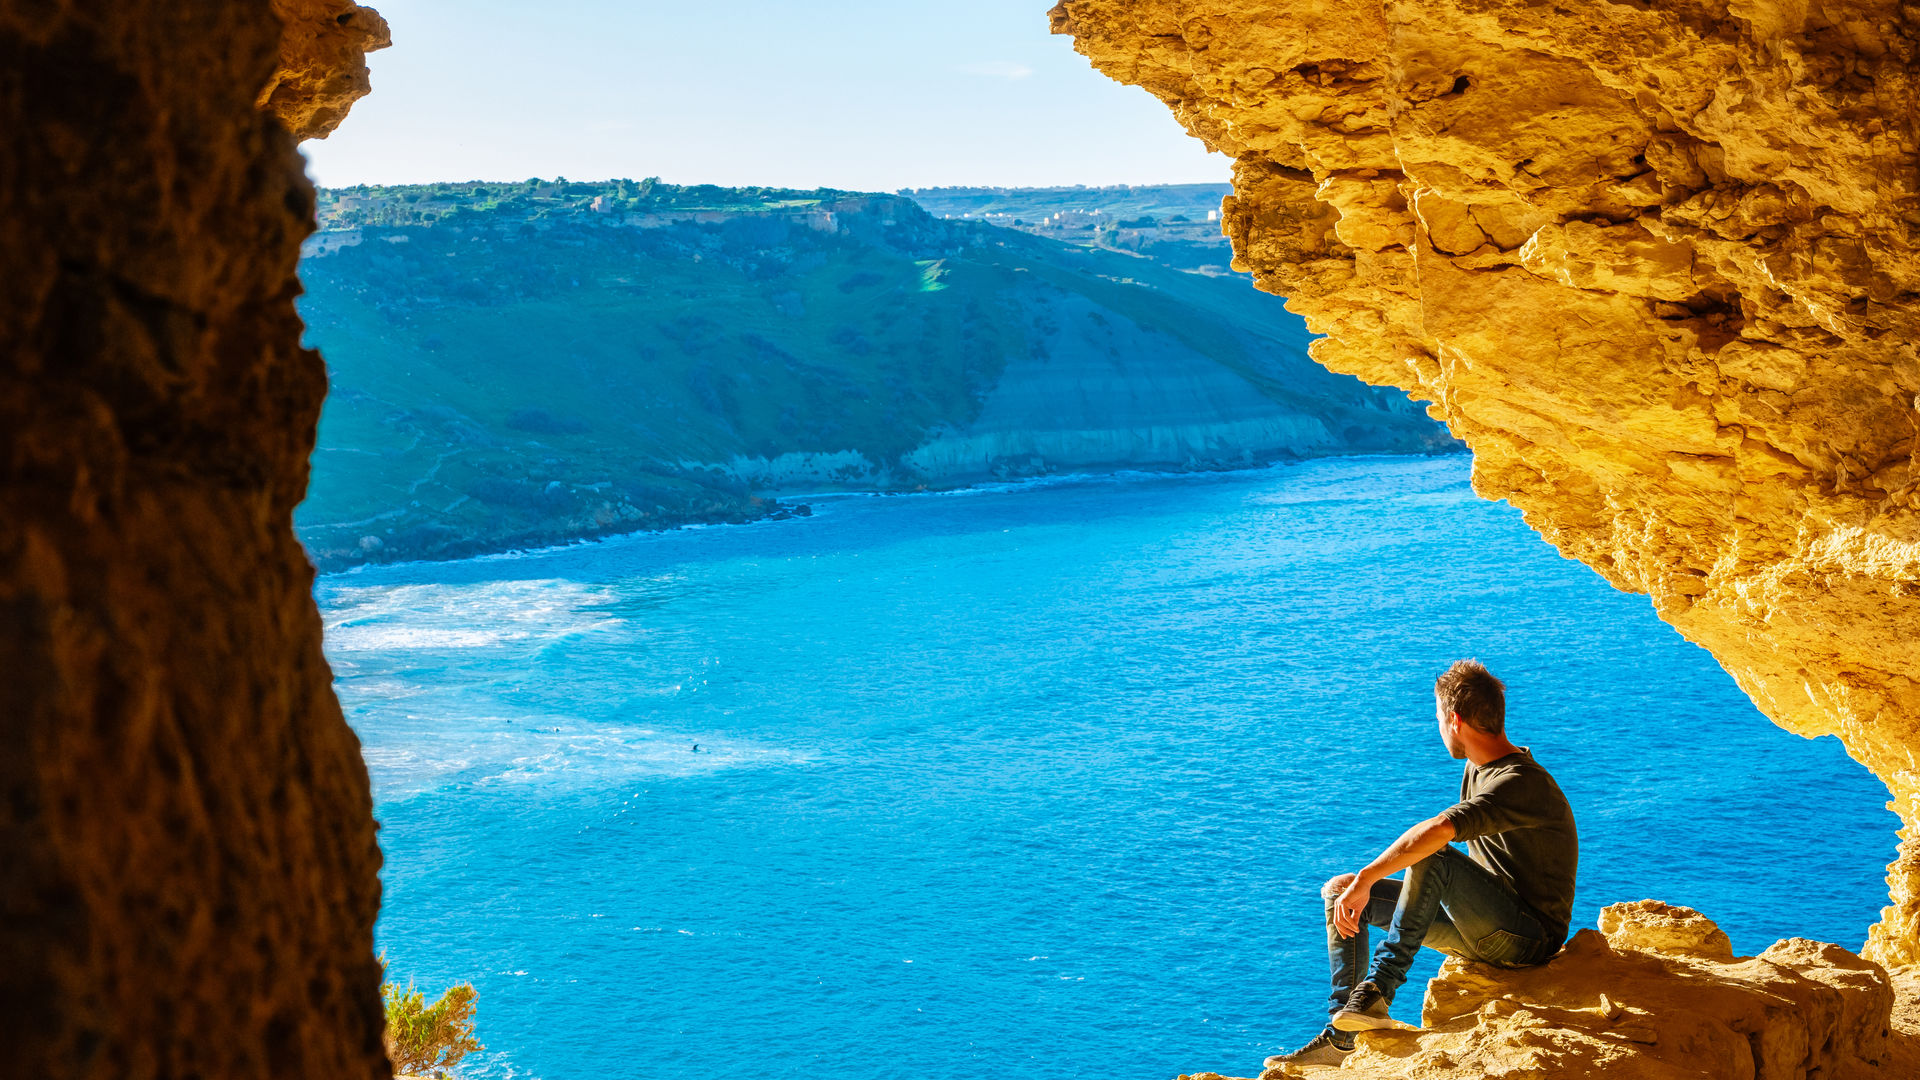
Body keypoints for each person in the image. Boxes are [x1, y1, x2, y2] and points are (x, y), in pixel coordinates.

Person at [1266, 660, 1578, 1069]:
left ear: (1454, 718)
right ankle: (1342, 1036)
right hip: (1484, 926)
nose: (1436, 727)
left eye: (1436, 717)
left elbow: (1436, 832)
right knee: (1341, 894)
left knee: (1435, 855)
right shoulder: (1478, 768)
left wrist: (1369, 876)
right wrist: (1358, 885)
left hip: (1528, 939)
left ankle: (1378, 990)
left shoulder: (1519, 782)